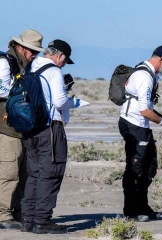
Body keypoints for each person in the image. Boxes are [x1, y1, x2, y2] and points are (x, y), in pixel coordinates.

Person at [118, 45, 162, 221]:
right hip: (134, 125)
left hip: (141, 126)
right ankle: (131, 211)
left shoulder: (148, 74)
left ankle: (142, 207)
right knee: (135, 168)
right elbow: (145, 110)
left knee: (149, 167)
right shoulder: (144, 77)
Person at [19, 39, 75, 234]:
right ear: (60, 56)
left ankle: (27, 219)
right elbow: (59, 101)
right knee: (50, 173)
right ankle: (42, 221)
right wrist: (73, 103)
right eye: (65, 60)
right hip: (50, 127)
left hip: (30, 127)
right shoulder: (53, 71)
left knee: (34, 173)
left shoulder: (30, 66)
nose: (63, 64)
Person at [0, 29, 44, 230]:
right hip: (6, 129)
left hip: (22, 128)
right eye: (31, 50)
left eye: (36, 51)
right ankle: (3, 214)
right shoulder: (5, 63)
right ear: (20, 46)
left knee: (23, 171)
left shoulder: (27, 66)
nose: (34, 54)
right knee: (9, 171)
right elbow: (3, 90)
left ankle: (16, 211)